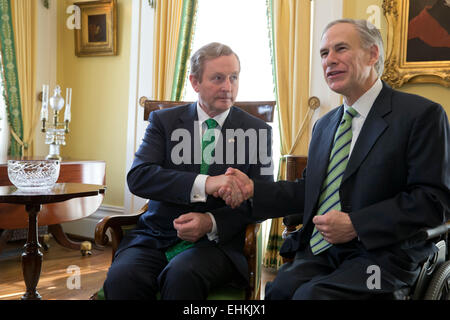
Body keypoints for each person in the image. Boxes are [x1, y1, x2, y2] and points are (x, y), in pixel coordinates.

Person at [217, 19, 450, 299]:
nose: (330, 60)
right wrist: (254, 189)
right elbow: (309, 191)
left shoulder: (420, 115)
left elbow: (433, 202)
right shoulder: (325, 125)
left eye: (341, 49)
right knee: (278, 290)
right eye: (324, 53)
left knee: (312, 296)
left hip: (384, 258)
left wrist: (356, 224)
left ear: (373, 54)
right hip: (324, 252)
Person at [102, 42, 273, 299]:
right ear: (195, 82)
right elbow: (139, 177)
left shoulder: (258, 132)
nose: (228, 87)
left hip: (217, 245)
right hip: (155, 236)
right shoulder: (164, 122)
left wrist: (210, 223)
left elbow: (264, 201)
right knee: (123, 277)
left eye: (234, 77)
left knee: (182, 275)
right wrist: (206, 183)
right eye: (218, 78)